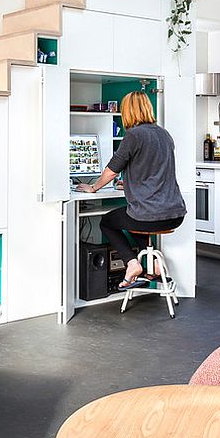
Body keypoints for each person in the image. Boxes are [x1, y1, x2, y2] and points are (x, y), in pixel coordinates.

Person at [76, 91, 186, 290]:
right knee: (137, 219)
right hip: (175, 214)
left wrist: (93, 188)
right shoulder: (164, 134)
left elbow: (110, 172)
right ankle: (154, 265)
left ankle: (132, 264)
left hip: (150, 214)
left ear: (128, 111)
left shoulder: (134, 135)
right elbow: (153, 171)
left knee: (108, 222)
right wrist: (128, 184)